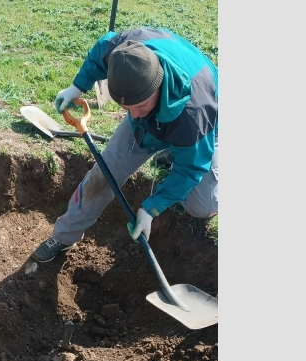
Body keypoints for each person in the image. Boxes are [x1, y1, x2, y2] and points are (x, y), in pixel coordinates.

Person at [31, 27, 218, 263]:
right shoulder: (127, 54)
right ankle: (64, 236)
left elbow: (191, 170)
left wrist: (151, 208)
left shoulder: (195, 115)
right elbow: (102, 48)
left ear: (157, 85)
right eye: (127, 108)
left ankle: (181, 152)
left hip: (204, 122)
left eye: (140, 106)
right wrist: (77, 87)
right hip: (162, 121)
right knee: (104, 174)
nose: (135, 115)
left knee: (203, 205)